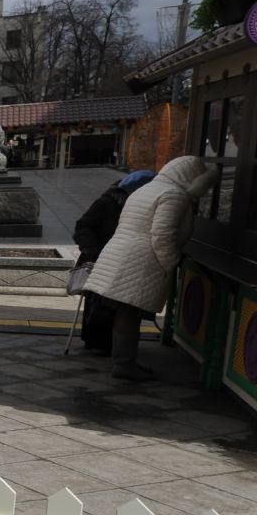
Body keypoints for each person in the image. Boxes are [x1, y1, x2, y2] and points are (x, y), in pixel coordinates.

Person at [83, 156, 217, 382]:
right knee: (129, 312)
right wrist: (170, 263)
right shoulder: (173, 195)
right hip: (140, 261)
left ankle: (122, 360)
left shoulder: (147, 189)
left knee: (125, 311)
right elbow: (163, 234)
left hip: (121, 255)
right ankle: (125, 363)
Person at [70, 170, 156, 355]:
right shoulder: (107, 203)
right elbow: (83, 226)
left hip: (128, 262)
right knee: (100, 304)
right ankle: (99, 342)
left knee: (121, 306)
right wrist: (91, 249)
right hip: (101, 259)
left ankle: (116, 345)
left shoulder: (146, 209)